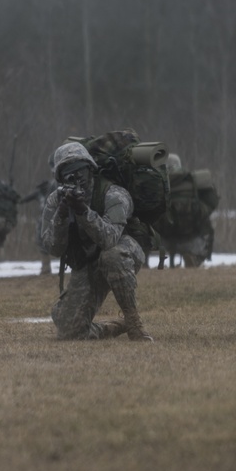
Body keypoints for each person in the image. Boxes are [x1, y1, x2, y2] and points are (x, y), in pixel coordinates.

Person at [40, 141, 154, 342]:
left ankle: (134, 322)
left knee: (112, 256)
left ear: (90, 169)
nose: (76, 179)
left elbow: (109, 239)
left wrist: (84, 211)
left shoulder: (114, 194)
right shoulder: (56, 201)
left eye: (80, 171)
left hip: (124, 252)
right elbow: (53, 248)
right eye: (68, 174)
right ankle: (113, 328)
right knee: (68, 329)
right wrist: (62, 214)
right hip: (88, 263)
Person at [154, 153, 218, 268]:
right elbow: (212, 201)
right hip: (190, 236)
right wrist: (200, 213)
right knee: (206, 223)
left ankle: (144, 263)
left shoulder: (154, 182)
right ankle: (194, 257)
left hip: (161, 239)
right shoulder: (192, 180)